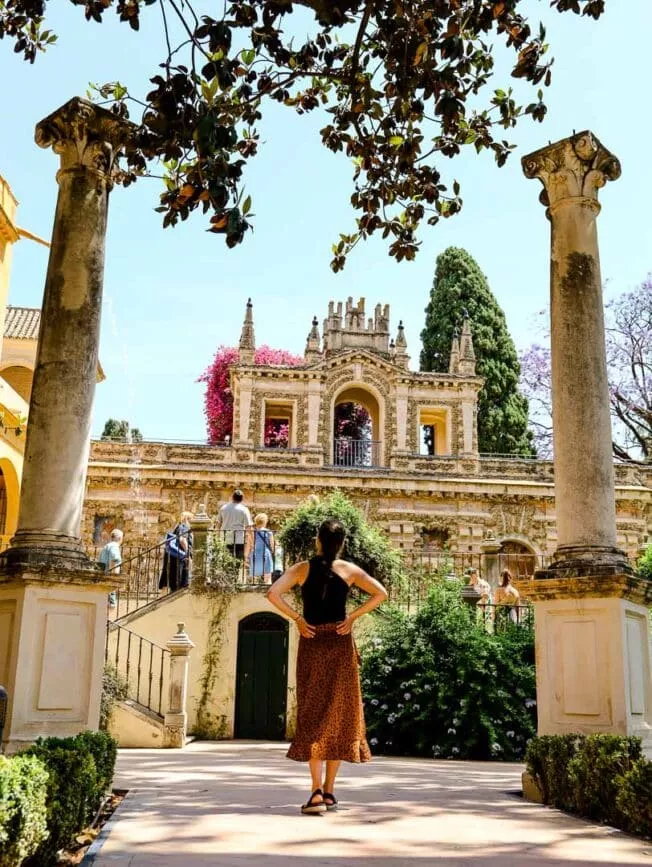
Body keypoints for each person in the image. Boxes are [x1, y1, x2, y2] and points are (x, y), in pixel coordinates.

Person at [267, 519, 387, 815]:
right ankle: (329, 791)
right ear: (342, 543)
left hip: (312, 642)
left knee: (313, 714)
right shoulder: (349, 570)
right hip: (340, 642)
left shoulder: (301, 569)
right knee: (339, 716)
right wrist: (353, 617)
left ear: (317, 540)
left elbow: (272, 593)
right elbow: (381, 593)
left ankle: (316, 792)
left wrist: (297, 619)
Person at [216, 489, 252, 571]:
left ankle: (227, 575)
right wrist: (249, 540)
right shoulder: (244, 509)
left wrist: (217, 536)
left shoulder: (223, 508)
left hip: (225, 538)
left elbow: (218, 524)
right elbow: (248, 526)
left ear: (232, 497)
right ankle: (234, 576)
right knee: (237, 561)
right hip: (239, 539)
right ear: (242, 499)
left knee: (225, 560)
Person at [159, 511, 194, 593]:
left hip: (174, 557)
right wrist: (187, 554)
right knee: (180, 580)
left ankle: (165, 596)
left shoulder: (178, 527)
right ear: (188, 519)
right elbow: (182, 540)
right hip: (180, 557)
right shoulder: (184, 527)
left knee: (171, 580)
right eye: (192, 520)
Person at [246, 513, 275, 584]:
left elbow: (249, 545)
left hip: (255, 554)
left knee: (254, 578)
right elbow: (272, 546)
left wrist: (246, 556)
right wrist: (272, 552)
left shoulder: (252, 532)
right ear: (265, 521)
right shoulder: (268, 532)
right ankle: (267, 589)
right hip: (266, 554)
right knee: (268, 577)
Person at [100, 528, 123, 610]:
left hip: (103, 578)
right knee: (111, 606)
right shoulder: (114, 546)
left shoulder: (106, 547)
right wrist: (114, 578)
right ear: (120, 538)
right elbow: (114, 560)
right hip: (109, 580)